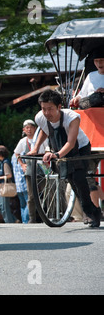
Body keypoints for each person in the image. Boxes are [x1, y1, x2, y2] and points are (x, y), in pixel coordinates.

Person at [29, 89, 101, 227]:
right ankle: (92, 211)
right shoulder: (40, 117)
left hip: (79, 147)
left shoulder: (72, 117)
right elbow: (44, 130)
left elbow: (71, 142)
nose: (46, 113)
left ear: (59, 107)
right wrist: (35, 148)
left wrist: (56, 155)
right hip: (60, 148)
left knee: (79, 178)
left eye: (50, 109)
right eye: (43, 109)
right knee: (70, 179)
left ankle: (90, 212)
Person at [13, 120, 43, 223]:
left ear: (35, 128)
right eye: (27, 128)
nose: (29, 129)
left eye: (31, 127)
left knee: (48, 192)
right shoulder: (23, 141)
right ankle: (32, 218)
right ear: (24, 130)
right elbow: (16, 153)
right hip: (30, 168)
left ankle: (49, 215)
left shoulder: (40, 138)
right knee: (31, 196)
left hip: (42, 167)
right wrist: (22, 164)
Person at [0, 145, 18, 223]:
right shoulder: (3, 162)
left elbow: (9, 175)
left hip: (5, 187)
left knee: (4, 208)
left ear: (0, 153)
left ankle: (9, 223)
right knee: (0, 207)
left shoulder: (5, 163)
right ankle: (14, 220)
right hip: (3, 187)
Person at [11, 153, 29, 223]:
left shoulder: (13, 157)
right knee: (28, 203)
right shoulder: (23, 155)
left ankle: (24, 221)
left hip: (18, 185)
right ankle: (26, 220)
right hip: (25, 183)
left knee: (22, 205)